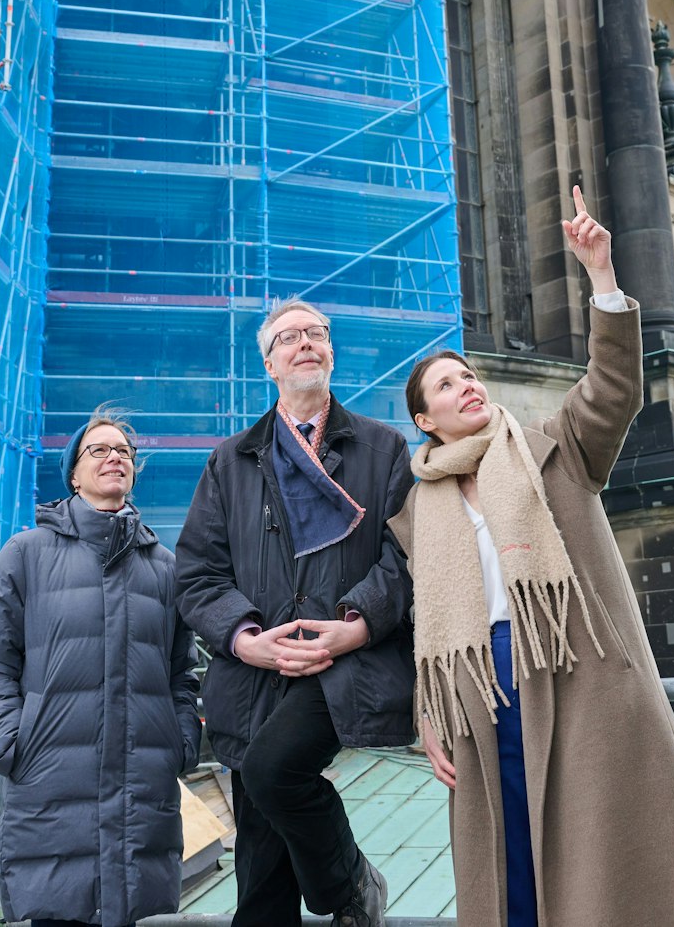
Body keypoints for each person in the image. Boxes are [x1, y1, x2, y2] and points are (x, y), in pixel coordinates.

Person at [393, 186, 674, 927]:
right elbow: (423, 620)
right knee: (511, 867)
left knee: (601, 867)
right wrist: (428, 709)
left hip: (575, 674)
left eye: (470, 375)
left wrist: (602, 279)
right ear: (425, 420)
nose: (469, 386)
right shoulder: (419, 510)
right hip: (480, 696)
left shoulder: (554, 450)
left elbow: (613, 389)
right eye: (448, 384)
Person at [175, 299, 415, 927]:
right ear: (269, 363)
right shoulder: (230, 461)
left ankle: (350, 885)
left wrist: (357, 624)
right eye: (289, 337)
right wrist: (245, 637)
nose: (305, 343)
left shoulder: (384, 449)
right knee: (258, 862)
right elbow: (197, 572)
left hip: (346, 664)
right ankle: (346, 894)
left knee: (271, 771)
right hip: (258, 670)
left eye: (317, 333)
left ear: (330, 352)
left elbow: (406, 557)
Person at [0, 411, 201, 927]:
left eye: (124, 452)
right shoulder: (26, 554)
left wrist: (181, 741)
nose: (115, 457)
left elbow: (181, 669)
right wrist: (10, 740)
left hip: (143, 788)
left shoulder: (164, 566)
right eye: (99, 450)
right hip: (50, 784)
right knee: (59, 913)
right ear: (73, 473)